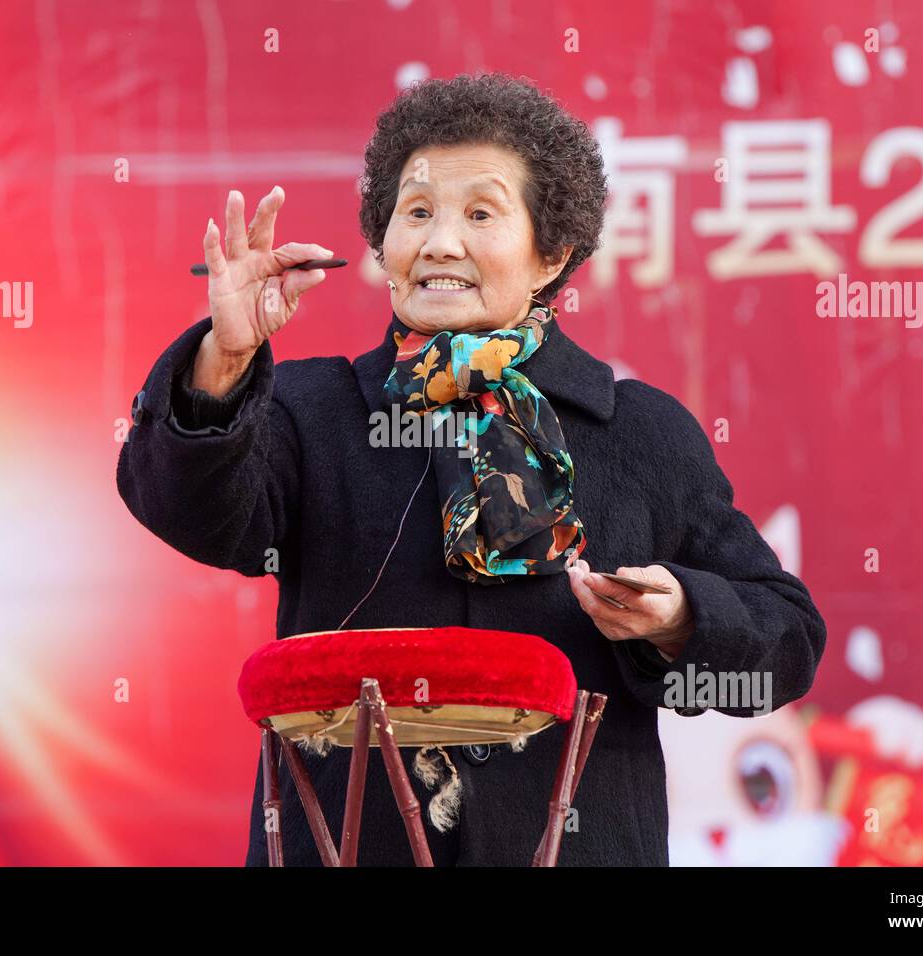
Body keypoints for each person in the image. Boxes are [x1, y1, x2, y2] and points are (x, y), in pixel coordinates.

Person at [116, 72, 827, 865]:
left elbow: (787, 641)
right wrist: (226, 360)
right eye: (415, 212)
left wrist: (682, 616)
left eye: (480, 213)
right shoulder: (314, 410)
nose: (439, 242)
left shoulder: (640, 430)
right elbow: (186, 511)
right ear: (382, 242)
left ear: (551, 252)